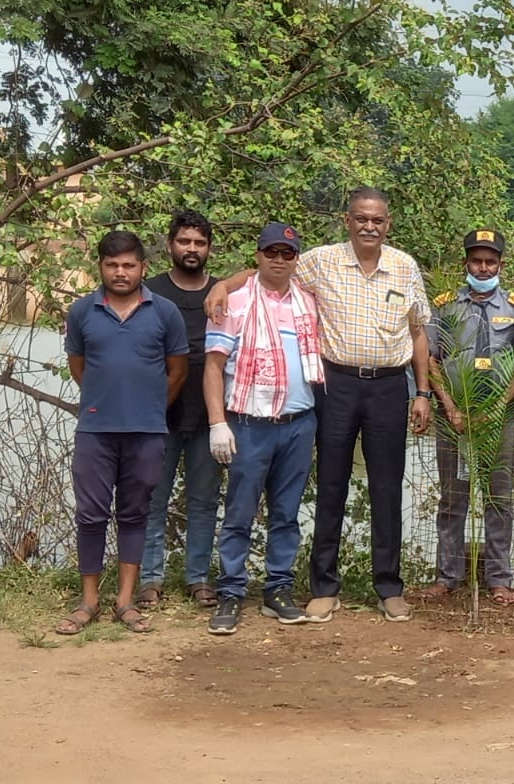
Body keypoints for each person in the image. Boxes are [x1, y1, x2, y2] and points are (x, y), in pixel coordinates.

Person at [206, 188, 434, 624]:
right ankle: (324, 587)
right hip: (338, 384)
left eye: (378, 220)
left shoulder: (404, 267)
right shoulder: (319, 260)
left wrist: (421, 392)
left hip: (389, 386)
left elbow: (418, 331)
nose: (369, 226)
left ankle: (389, 587)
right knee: (332, 483)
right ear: (346, 221)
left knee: (387, 487)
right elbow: (267, 272)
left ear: (389, 224)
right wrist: (223, 284)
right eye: (361, 218)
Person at [57, 231, 188, 635]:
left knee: (135, 514)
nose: (120, 272)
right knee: (91, 515)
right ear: (100, 267)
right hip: (95, 429)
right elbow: (79, 366)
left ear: (143, 268)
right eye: (112, 265)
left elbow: (177, 371)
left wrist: (148, 407)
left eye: (129, 265)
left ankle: (126, 601)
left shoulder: (165, 312)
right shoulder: (82, 312)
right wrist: (104, 400)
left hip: (147, 430)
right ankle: (89, 601)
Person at [201, 223, 322, 634]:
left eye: (287, 253)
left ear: (296, 259)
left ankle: (278, 589)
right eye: (271, 251)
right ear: (257, 256)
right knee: (239, 513)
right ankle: (231, 591)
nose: (279, 259)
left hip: (298, 423)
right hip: (250, 425)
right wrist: (218, 423)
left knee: (286, 515)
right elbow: (214, 367)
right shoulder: (232, 302)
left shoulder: (310, 302)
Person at [417, 229, 514, 608]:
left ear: (501, 264)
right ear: (466, 263)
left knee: (498, 499)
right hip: (454, 419)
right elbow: (431, 359)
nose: (483, 268)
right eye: (476, 261)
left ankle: (499, 578)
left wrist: (497, 409)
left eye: (490, 261)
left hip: (499, 419)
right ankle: (447, 577)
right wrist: (449, 407)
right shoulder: (446, 307)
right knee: (453, 498)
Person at [139, 210, 222, 611]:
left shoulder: (223, 293)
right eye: (185, 241)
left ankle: (198, 578)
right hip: (158, 414)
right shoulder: (149, 292)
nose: (192, 249)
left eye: (200, 243)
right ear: (170, 244)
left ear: (208, 248)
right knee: (151, 499)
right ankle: (149, 579)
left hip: (210, 416)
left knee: (204, 501)